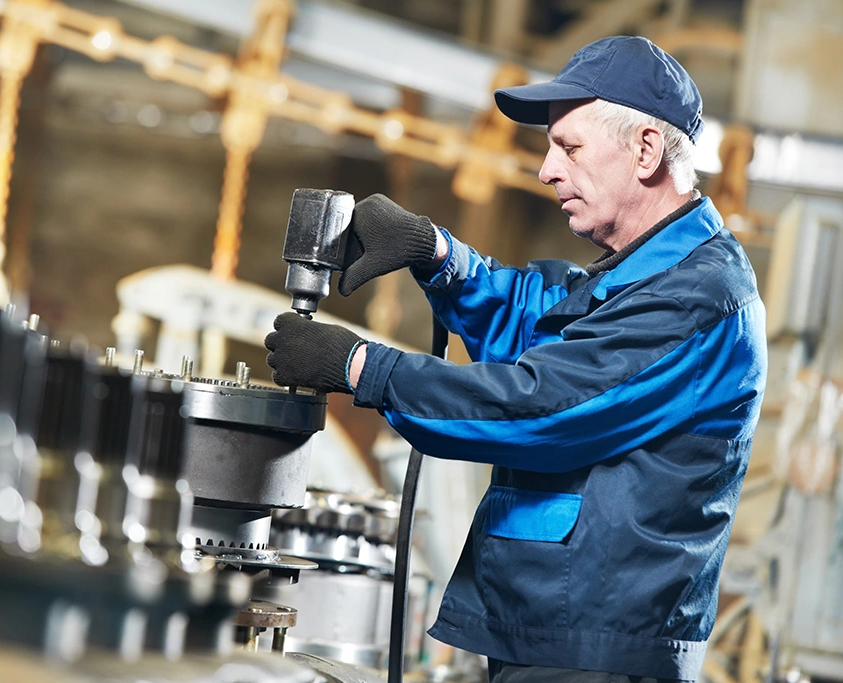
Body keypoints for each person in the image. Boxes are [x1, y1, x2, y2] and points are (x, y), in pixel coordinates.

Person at [265, 36, 766, 683]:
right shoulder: (645, 276)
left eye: (570, 146)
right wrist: (437, 253)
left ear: (645, 149)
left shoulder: (698, 298)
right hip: (555, 639)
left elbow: (541, 404)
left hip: (597, 653)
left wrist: (361, 366)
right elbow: (539, 314)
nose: (547, 169)